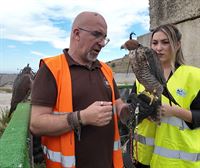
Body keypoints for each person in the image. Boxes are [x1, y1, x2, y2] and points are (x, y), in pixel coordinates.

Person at [30, 11, 125, 168]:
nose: (101, 43)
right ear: (76, 34)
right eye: (97, 35)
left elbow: (117, 105)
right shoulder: (51, 69)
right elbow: (36, 124)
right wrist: (81, 118)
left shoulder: (106, 70)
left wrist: (131, 109)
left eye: (104, 38)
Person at [131, 24, 200, 168]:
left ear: (177, 44)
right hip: (143, 159)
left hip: (178, 162)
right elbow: (131, 109)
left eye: (165, 42)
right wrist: (139, 111)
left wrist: (173, 111)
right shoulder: (141, 76)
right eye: (154, 43)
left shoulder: (194, 76)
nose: (158, 48)